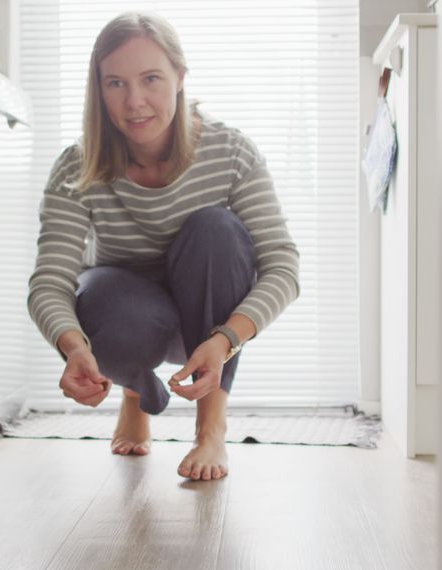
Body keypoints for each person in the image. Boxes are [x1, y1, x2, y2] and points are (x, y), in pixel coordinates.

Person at [27, 12, 299, 481]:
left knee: (218, 229)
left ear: (179, 78)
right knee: (94, 294)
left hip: (211, 322)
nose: (134, 102)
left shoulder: (229, 152)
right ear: (98, 89)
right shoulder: (77, 166)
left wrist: (226, 339)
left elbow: (283, 267)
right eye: (115, 83)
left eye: (151, 78)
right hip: (128, 320)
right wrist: (72, 348)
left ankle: (211, 427)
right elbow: (49, 283)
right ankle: (136, 394)